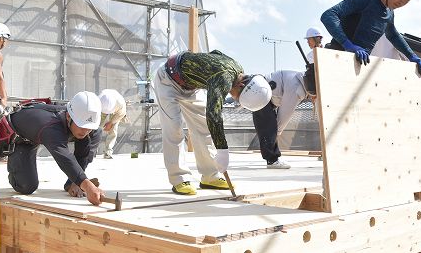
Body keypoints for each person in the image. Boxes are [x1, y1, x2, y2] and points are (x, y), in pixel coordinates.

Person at [153, 50, 272, 195]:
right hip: (168, 80)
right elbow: (213, 114)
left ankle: (210, 176)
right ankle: (179, 178)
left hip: (190, 85)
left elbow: (215, 53)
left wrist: (200, 68)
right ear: (241, 85)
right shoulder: (224, 78)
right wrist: (222, 150)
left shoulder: (237, 69)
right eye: (237, 98)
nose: (234, 98)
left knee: (203, 127)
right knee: (174, 128)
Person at [0, 91, 105, 206]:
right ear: (69, 116)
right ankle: (16, 168)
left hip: (41, 132)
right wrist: (88, 186)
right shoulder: (51, 127)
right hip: (22, 140)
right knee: (27, 187)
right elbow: (64, 158)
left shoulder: (79, 122)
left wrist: (79, 182)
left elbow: (84, 148)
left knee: (95, 134)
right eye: (82, 126)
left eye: (89, 127)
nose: (85, 131)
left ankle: (73, 182)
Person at [320, 0, 421, 75]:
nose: (402, 2)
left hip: (356, 68)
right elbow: (329, 15)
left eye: (408, 0)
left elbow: (393, 35)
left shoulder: (389, 12)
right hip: (335, 60)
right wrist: (347, 45)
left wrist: (412, 56)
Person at [252, 70, 313, 169]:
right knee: (269, 128)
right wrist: (277, 132)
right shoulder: (298, 89)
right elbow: (285, 113)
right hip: (260, 93)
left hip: (260, 91)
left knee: (269, 127)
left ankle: (272, 159)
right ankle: (272, 160)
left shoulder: (297, 78)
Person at [98, 89, 127, 159]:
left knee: (113, 130)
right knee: (96, 128)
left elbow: (121, 114)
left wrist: (111, 123)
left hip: (116, 111)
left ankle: (108, 152)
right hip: (101, 110)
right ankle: (91, 149)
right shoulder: (98, 100)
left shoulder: (120, 104)